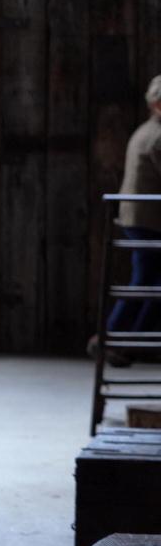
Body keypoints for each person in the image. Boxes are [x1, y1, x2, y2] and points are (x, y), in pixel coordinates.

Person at [98, 74, 161, 366]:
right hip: (146, 217)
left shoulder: (146, 131)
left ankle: (127, 341)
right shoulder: (157, 136)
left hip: (139, 215)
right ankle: (115, 338)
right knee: (145, 281)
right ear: (157, 105)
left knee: (148, 280)